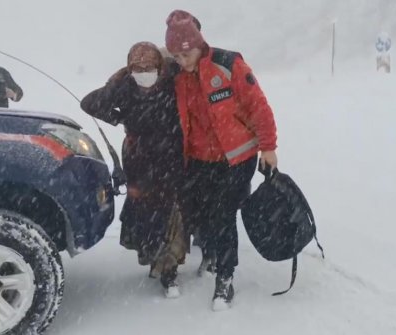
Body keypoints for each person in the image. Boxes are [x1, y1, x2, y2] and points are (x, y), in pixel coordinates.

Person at [165, 9, 279, 311]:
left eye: (185, 54)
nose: (182, 61)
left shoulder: (228, 65)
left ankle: (224, 281)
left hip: (236, 158)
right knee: (203, 212)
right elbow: (142, 70)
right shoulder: (177, 76)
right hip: (200, 160)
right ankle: (213, 253)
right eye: (176, 56)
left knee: (224, 214)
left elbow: (259, 106)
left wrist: (268, 147)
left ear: (198, 45)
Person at [80, 42, 187, 298]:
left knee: (172, 211)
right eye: (137, 68)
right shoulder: (125, 86)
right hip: (138, 158)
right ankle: (153, 258)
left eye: (148, 67)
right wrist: (116, 109)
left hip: (171, 156)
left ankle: (169, 271)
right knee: (146, 211)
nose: (143, 72)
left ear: (159, 66)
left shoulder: (173, 82)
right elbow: (90, 103)